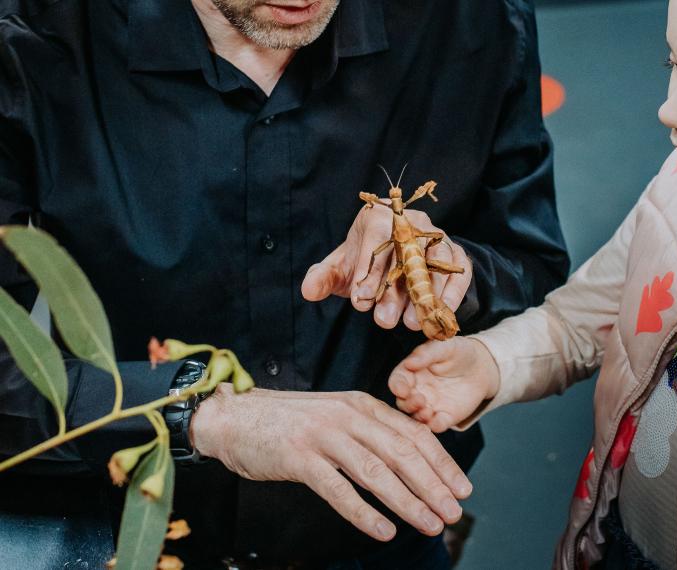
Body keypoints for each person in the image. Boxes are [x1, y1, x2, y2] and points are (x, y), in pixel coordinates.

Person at [0, 0, 569, 568]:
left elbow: (531, 266)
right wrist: (204, 412)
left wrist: (454, 274)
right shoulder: (30, 39)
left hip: (389, 528)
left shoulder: (477, 22)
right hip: (133, 528)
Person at [389, 0, 677, 568]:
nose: (670, 111)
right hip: (619, 539)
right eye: (672, 65)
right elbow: (583, 317)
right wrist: (492, 361)